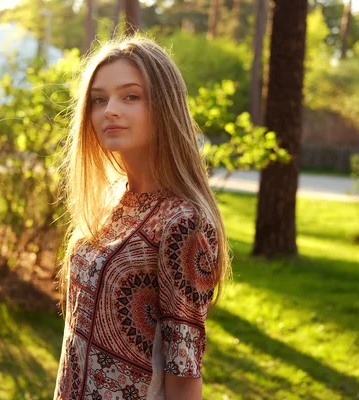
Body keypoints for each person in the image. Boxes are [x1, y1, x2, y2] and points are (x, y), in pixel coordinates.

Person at [53, 35, 231, 400]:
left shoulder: (183, 222)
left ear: (164, 106)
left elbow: (184, 369)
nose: (110, 110)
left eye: (130, 96)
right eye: (99, 99)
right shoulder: (111, 198)